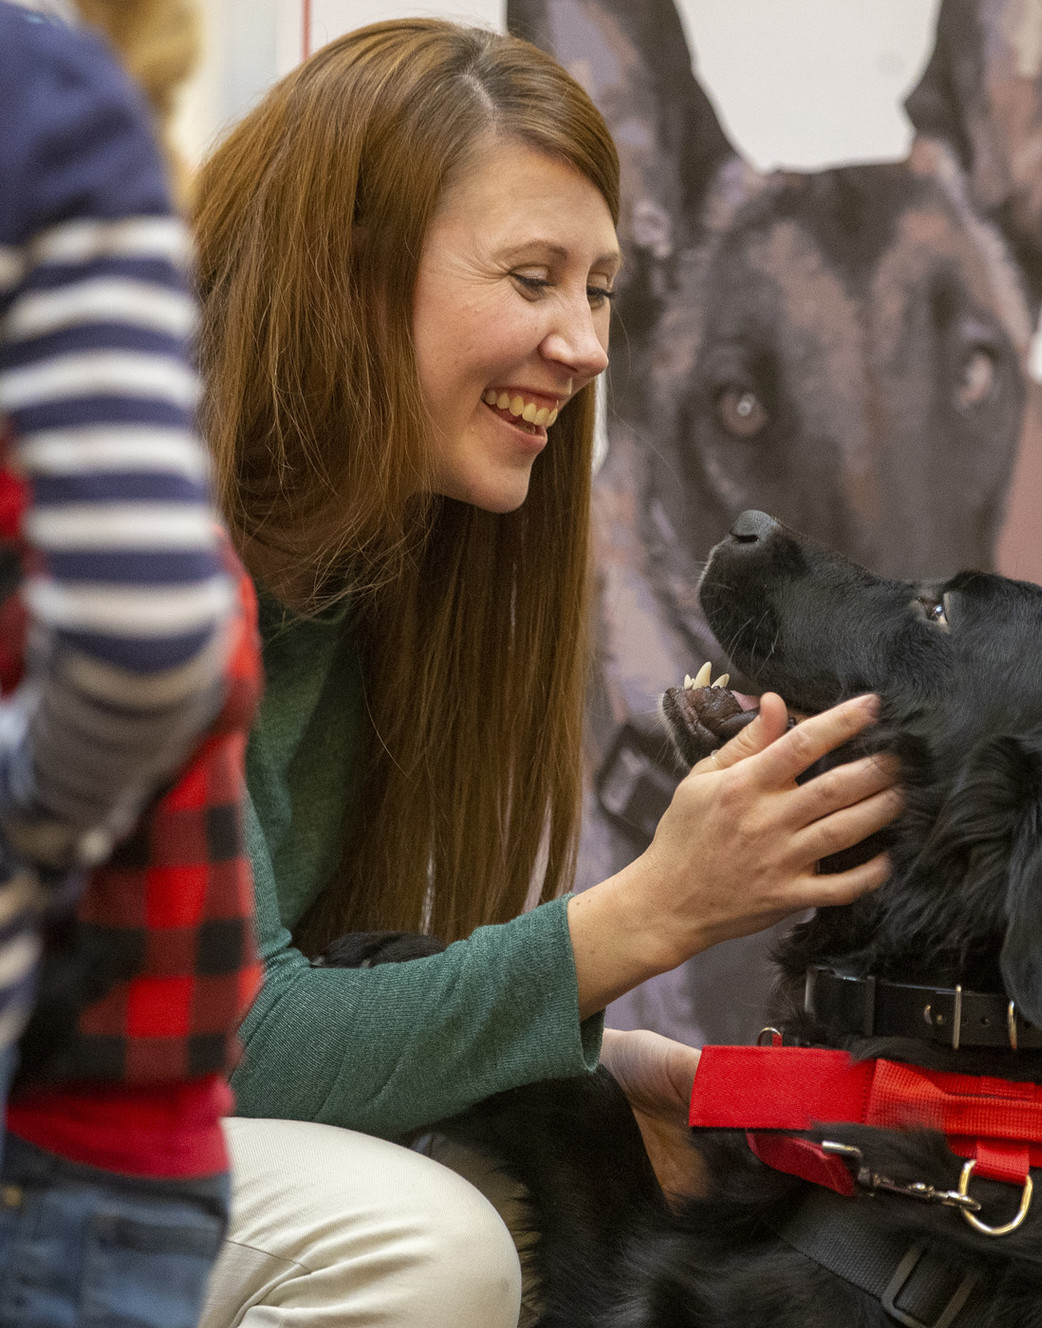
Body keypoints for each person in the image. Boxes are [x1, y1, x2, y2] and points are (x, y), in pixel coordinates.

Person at [190, 19, 901, 1327]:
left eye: (602, 289)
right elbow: (232, 1041)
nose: (586, 345)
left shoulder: (362, 590)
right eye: (532, 280)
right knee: (417, 1243)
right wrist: (651, 914)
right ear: (348, 269)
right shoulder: (122, 549)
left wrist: (597, 1052)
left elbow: (289, 984)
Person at [0, 2, 261, 1323]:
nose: (583, 344)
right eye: (533, 278)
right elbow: (149, 629)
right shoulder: (43, 107)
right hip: (77, 1138)